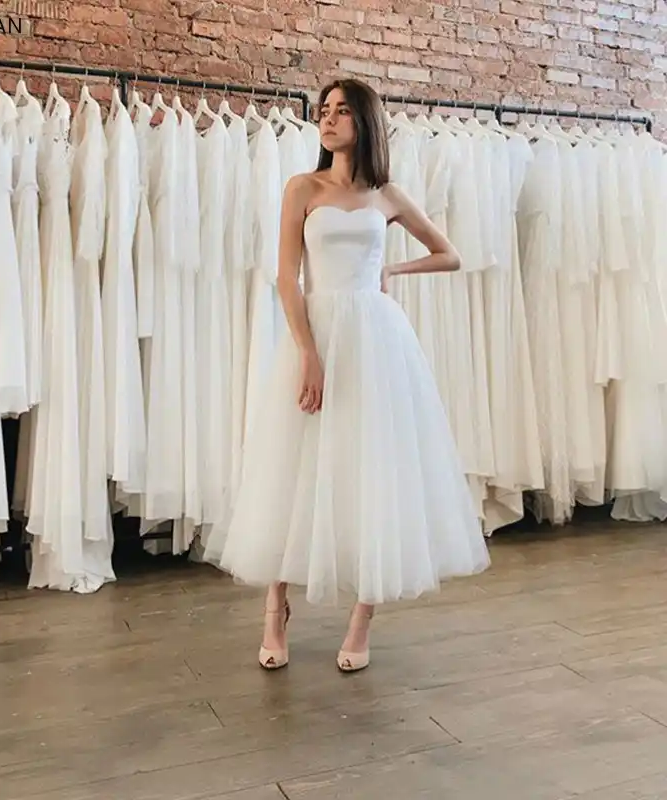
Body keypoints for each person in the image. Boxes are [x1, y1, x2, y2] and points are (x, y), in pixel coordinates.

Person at [202, 78, 490, 673]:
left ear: (364, 121)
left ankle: (362, 621)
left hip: (375, 341)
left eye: (340, 111)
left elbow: (450, 254)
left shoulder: (387, 195)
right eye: (323, 111)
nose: (327, 120)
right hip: (318, 331)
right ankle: (275, 608)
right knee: (292, 465)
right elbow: (287, 277)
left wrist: (393, 271)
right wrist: (308, 352)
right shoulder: (302, 188)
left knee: (373, 470)